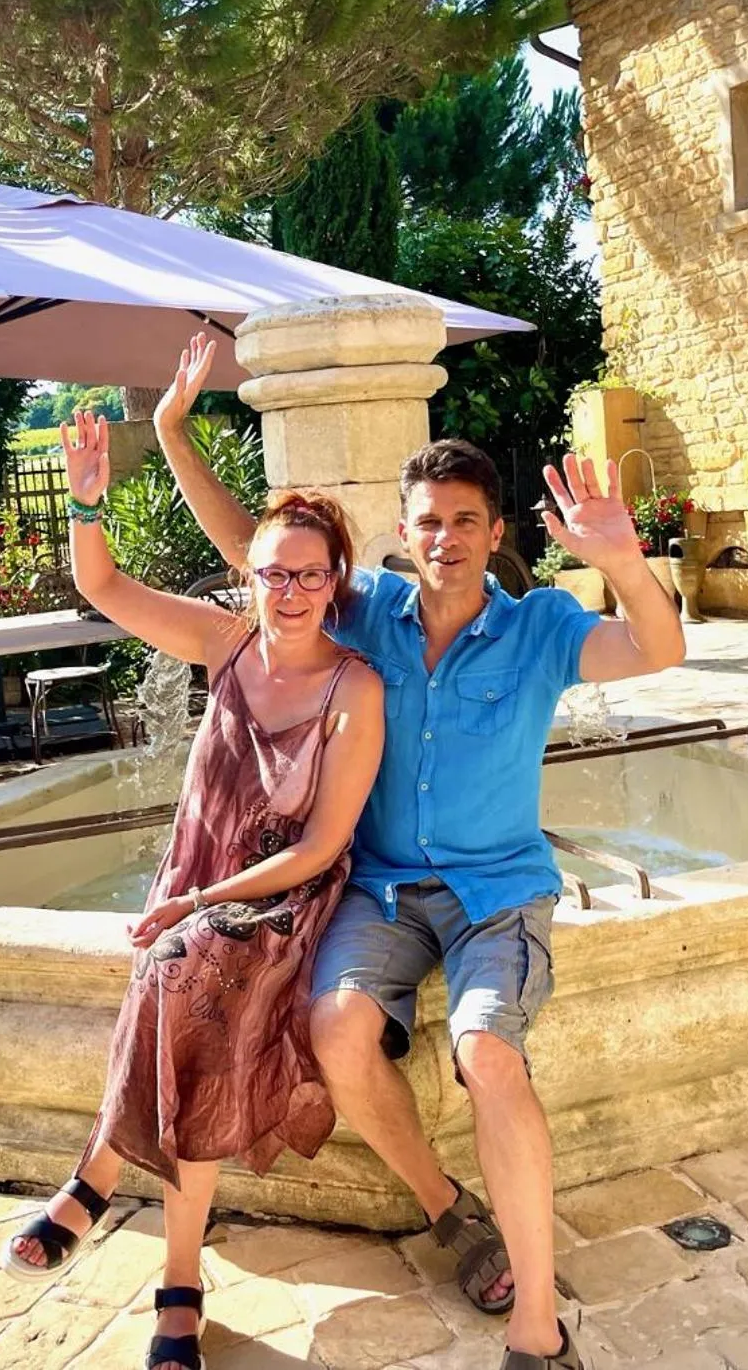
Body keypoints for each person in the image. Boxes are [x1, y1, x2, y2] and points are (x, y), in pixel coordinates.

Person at [151, 333, 687, 1370]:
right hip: (384, 893)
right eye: (429, 522)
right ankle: (449, 1213)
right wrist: (174, 434)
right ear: (404, 530)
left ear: (494, 534)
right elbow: (253, 555)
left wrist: (620, 561)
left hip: (495, 894)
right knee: (336, 1026)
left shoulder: (541, 628)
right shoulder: (372, 612)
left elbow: (658, 650)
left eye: (465, 523)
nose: (445, 538)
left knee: (488, 1053)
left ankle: (538, 1328)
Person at [0, 407, 386, 1370]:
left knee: (182, 973)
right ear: (247, 578)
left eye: (307, 573)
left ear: (334, 580)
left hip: (284, 904)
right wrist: (88, 497)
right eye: (270, 573)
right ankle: (175, 1279)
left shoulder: (357, 689)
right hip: (196, 899)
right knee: (180, 982)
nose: (288, 591)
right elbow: (101, 583)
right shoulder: (224, 646)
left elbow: (324, 844)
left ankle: (101, 1192)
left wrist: (201, 906)